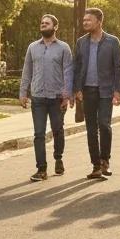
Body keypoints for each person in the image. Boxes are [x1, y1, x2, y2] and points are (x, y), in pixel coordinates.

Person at [73, 7, 120, 181]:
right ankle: (95, 165)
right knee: (90, 128)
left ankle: (105, 161)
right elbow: (77, 67)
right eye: (84, 20)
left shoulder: (112, 41)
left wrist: (118, 90)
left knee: (104, 124)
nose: (85, 22)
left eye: (89, 20)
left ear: (99, 22)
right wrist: (77, 89)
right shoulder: (81, 42)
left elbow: (119, 67)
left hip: (105, 90)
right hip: (87, 90)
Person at [20, 13, 73, 181]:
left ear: (55, 27)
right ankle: (41, 169)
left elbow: (68, 72)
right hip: (38, 97)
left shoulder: (64, 48)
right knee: (39, 133)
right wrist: (23, 92)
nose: (43, 25)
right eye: (42, 23)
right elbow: (27, 71)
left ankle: (58, 158)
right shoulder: (32, 47)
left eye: (47, 23)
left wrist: (66, 95)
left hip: (57, 97)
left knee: (57, 130)